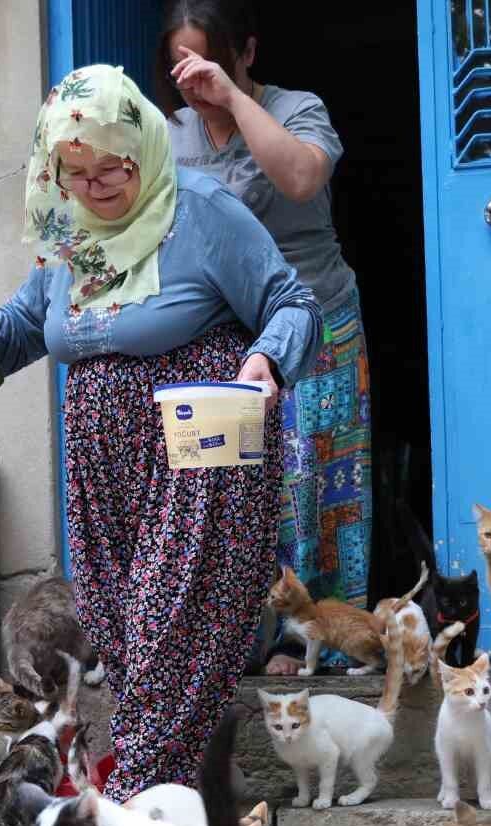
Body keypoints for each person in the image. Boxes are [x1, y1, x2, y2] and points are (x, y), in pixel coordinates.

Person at [0, 65, 320, 803]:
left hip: (199, 454)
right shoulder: (69, 233)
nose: (95, 187)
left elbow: (293, 302)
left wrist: (265, 358)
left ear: (144, 149)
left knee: (169, 633)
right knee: (128, 645)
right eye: (75, 172)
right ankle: (196, 818)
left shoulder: (201, 210)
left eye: (112, 168)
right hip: (106, 474)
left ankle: (130, 813)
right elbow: (18, 334)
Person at [158, 1, 371, 674]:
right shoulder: (168, 135)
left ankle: (308, 638)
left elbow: (302, 178)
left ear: (247, 51)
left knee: (313, 480)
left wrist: (233, 100)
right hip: (226, 336)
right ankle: (234, 637)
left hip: (317, 322)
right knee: (234, 486)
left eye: (208, 64)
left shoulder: (295, 107)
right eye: (181, 68)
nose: (194, 84)